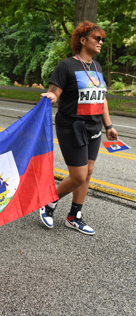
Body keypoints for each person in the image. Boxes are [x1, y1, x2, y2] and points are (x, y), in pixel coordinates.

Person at [40, 21, 118, 235]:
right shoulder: (66, 66)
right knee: (78, 176)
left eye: (102, 39)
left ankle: (74, 216)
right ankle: (48, 203)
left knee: (88, 172)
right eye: (97, 38)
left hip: (94, 128)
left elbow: (101, 99)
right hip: (71, 126)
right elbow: (55, 91)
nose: (101, 42)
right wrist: (51, 96)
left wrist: (108, 125)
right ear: (83, 41)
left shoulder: (97, 67)